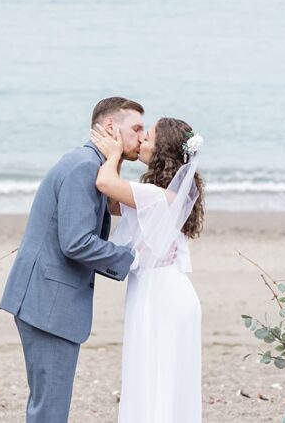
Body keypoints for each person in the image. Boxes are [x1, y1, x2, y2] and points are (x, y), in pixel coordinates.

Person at [0, 97, 142, 423]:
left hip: (44, 298)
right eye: (135, 128)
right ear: (110, 127)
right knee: (49, 411)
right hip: (47, 304)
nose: (140, 136)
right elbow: (76, 243)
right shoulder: (83, 167)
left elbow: (114, 206)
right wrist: (132, 259)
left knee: (47, 405)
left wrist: (120, 159)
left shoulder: (91, 164)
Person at [90, 116, 204, 423]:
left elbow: (105, 184)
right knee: (157, 375)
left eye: (149, 137)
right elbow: (114, 203)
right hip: (161, 290)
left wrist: (113, 154)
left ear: (162, 150)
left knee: (159, 377)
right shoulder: (157, 193)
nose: (141, 141)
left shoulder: (158, 196)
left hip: (162, 296)